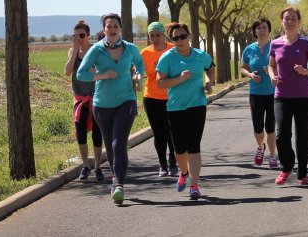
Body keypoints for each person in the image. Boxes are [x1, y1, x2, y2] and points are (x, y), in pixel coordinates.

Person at [77, 13, 144, 204]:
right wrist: (102, 75)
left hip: (126, 100)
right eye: (109, 26)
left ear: (120, 28)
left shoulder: (130, 48)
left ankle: (119, 184)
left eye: (115, 26)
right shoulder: (97, 50)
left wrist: (138, 76)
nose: (112, 30)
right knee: (110, 145)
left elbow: (139, 65)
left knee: (118, 142)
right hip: (102, 104)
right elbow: (81, 74)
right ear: (104, 29)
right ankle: (115, 178)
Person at [156, 22, 215, 200]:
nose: (179, 40)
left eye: (183, 36)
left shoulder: (200, 55)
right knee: (180, 149)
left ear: (189, 37)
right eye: (175, 38)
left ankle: (195, 185)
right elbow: (160, 83)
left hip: (197, 105)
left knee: (194, 146)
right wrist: (179, 79)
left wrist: (208, 82)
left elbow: (211, 68)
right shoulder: (167, 58)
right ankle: (183, 173)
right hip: (175, 107)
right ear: (171, 40)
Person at [268, 6, 308, 186]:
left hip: (303, 96)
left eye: (293, 18)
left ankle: (303, 174)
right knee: (281, 134)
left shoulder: (305, 42)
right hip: (282, 95)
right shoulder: (275, 43)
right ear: (281, 22)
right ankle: (287, 167)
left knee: (302, 134)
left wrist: (306, 70)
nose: (289, 21)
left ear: (298, 22)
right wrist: (272, 76)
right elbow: (271, 65)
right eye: (286, 18)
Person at [63, 20, 104, 182]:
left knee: (97, 134)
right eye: (75, 35)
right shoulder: (72, 51)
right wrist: (74, 53)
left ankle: (98, 167)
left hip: (96, 97)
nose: (78, 38)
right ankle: (86, 166)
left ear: (88, 35)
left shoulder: (96, 50)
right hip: (80, 98)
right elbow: (67, 72)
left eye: (81, 35)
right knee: (80, 134)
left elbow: (98, 71)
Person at [140, 22, 178, 177]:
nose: (155, 38)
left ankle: (173, 162)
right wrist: (136, 76)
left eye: (158, 35)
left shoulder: (173, 50)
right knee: (159, 133)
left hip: (172, 97)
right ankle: (162, 164)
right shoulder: (144, 53)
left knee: (172, 132)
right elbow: (138, 72)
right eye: (152, 35)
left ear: (164, 35)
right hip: (151, 98)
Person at [241, 18, 279, 169]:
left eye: (264, 27)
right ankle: (260, 147)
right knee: (257, 127)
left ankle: (272, 155)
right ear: (254, 32)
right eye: (258, 28)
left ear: (269, 30)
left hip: (273, 93)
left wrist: (273, 71)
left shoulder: (276, 46)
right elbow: (242, 67)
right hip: (255, 93)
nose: (261, 30)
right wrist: (250, 75)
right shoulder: (249, 49)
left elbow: (282, 66)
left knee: (270, 127)